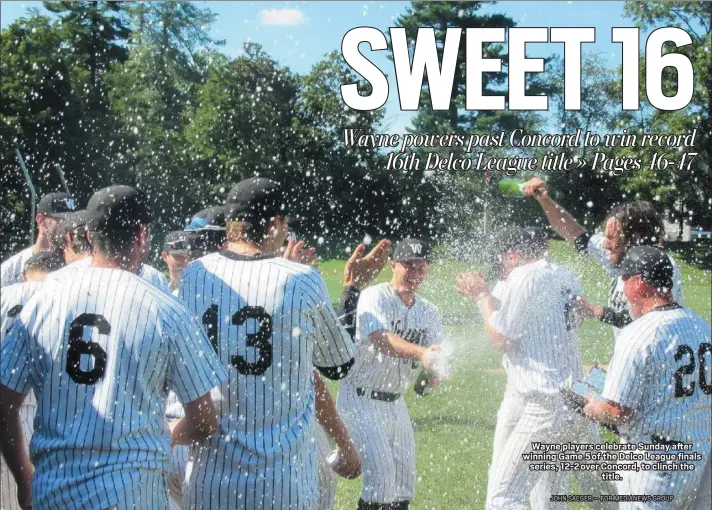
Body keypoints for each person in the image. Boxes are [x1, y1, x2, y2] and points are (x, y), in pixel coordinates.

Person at [0, 185, 228, 510]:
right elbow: (205, 420)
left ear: (89, 236)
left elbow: (4, 403)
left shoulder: (43, 302)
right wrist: (167, 432)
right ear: (142, 235)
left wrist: (24, 479)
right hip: (134, 496)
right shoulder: (166, 310)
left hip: (55, 493)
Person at [179, 177, 358, 509]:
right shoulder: (300, 279)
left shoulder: (194, 275)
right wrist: (351, 292)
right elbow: (339, 365)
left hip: (210, 482)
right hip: (282, 484)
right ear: (275, 223)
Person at [456, 228, 601, 509]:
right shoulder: (562, 274)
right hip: (576, 400)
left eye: (501, 263)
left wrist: (481, 296)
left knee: (503, 499)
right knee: (549, 502)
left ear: (511, 255)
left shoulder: (523, 276)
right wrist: (487, 298)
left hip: (547, 405)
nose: (501, 271)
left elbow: (501, 338)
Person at [584, 246, 711, 509]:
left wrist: (592, 406)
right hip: (699, 461)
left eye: (625, 277)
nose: (622, 283)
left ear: (640, 283)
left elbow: (617, 412)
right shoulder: (701, 326)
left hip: (653, 467)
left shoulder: (638, 333)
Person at [336, 238, 443, 510]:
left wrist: (434, 373)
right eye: (408, 265)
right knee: (381, 483)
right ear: (393, 264)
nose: (415, 273)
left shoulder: (430, 311)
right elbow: (381, 340)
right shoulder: (374, 296)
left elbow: (432, 356)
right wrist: (422, 354)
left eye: (421, 267)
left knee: (403, 486)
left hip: (396, 403)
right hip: (360, 397)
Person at [521, 178, 683, 337]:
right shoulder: (619, 254)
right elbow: (573, 232)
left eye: (612, 238)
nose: (605, 245)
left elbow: (651, 323)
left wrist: (595, 311)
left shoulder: (662, 266)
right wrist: (544, 200)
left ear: (634, 238)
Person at [0, 251, 65, 510]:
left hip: (5, 412)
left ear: (25, 274)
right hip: (49, 414)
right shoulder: (59, 298)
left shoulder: (5, 295)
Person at [1, 192, 78, 286]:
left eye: (72, 220)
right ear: (41, 221)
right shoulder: (10, 272)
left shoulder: (77, 264)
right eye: (63, 219)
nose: (69, 225)